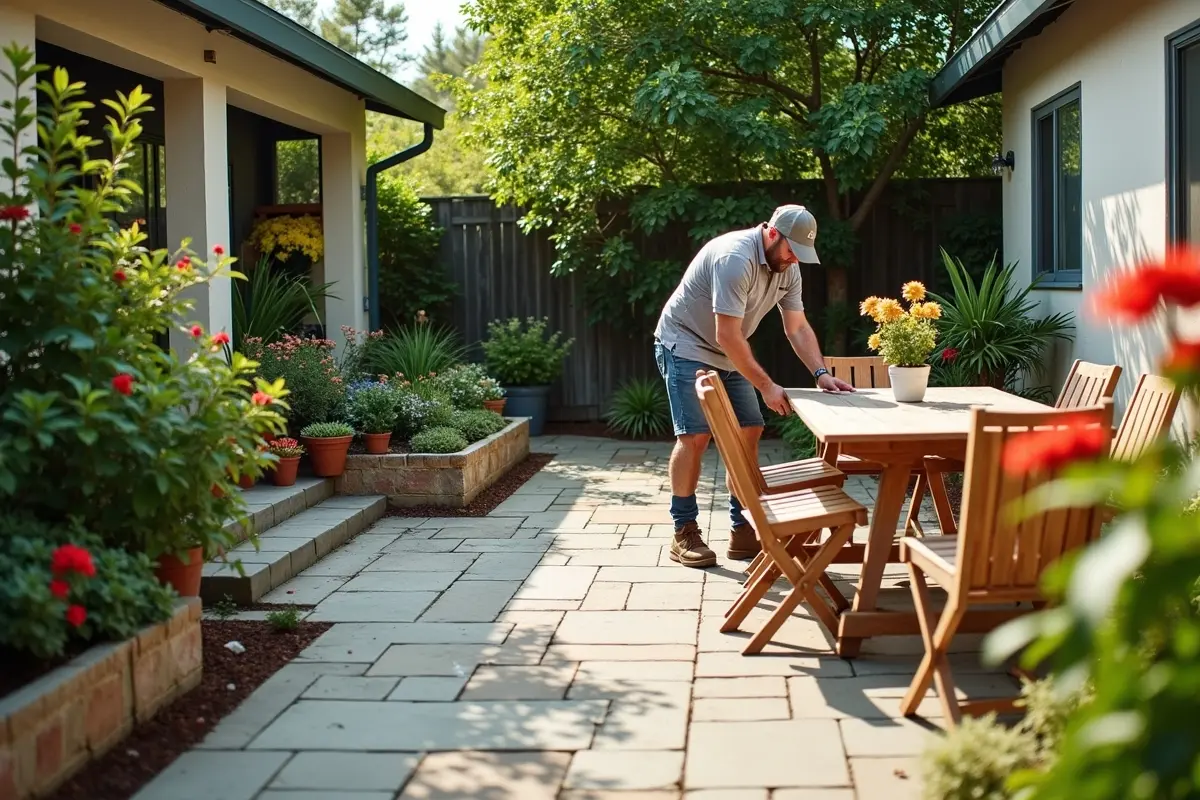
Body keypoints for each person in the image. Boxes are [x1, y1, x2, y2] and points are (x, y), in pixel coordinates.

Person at [653, 204, 855, 568]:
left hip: (728, 349)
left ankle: (742, 527)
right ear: (773, 233)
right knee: (695, 436)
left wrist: (820, 372)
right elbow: (727, 334)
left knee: (750, 428)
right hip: (685, 342)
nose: (795, 259)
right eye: (792, 250)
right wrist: (766, 385)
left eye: (801, 253)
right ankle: (684, 530)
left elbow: (797, 327)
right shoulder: (735, 258)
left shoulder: (788, 267)